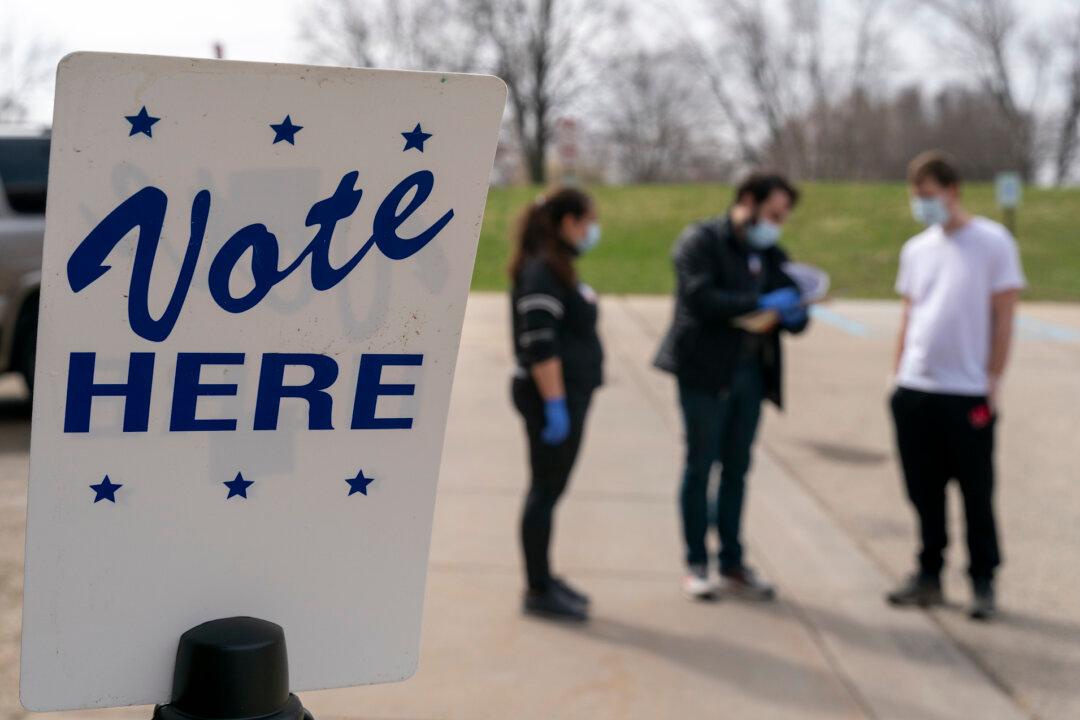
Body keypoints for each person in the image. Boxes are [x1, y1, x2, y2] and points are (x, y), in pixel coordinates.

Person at [654, 172, 809, 602]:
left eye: (783, 218)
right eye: (773, 214)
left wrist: (797, 313)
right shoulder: (700, 241)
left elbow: (793, 299)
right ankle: (696, 561)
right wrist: (757, 303)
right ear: (747, 201)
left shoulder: (772, 255)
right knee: (700, 464)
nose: (777, 224)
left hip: (751, 374)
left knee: (737, 468)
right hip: (705, 371)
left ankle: (733, 561)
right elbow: (699, 297)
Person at [886, 151, 1025, 621]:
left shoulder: (992, 242)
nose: (923, 204)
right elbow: (910, 315)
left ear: (952, 191)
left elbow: (1004, 315)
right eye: (916, 197)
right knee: (923, 491)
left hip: (967, 391)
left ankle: (983, 580)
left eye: (929, 195)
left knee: (975, 491)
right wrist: (897, 373)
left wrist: (993, 378)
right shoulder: (916, 249)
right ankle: (928, 574)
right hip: (915, 388)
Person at [509, 186, 604, 622]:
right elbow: (539, 344)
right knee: (544, 493)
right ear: (568, 222)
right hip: (551, 399)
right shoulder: (543, 270)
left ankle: (544, 576)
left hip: (565, 396)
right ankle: (537, 588)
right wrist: (556, 405)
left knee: (550, 491)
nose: (592, 230)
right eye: (588, 221)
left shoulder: (558, 267)